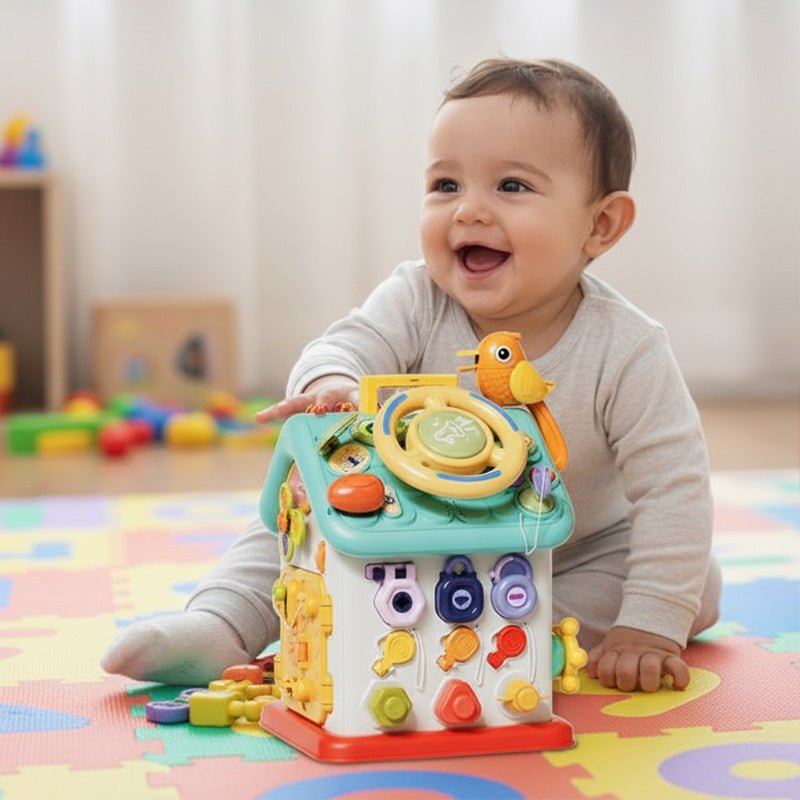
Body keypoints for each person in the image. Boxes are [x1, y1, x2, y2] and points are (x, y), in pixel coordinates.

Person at [102, 57, 720, 693]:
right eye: (446, 185)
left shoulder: (628, 348)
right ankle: (218, 626)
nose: (468, 211)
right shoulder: (418, 298)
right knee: (285, 526)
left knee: (685, 578)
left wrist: (649, 627)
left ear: (600, 225)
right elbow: (347, 343)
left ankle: (481, 638)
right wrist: (329, 386)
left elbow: (674, 488)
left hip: (568, 550)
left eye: (511, 186)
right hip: (401, 538)